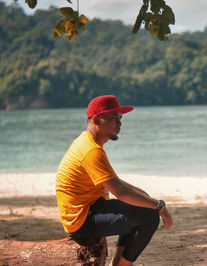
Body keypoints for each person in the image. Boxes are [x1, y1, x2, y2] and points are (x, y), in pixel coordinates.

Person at [56, 95, 173, 266]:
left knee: (142, 205)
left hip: (89, 208)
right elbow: (120, 191)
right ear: (97, 120)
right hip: (81, 218)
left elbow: (114, 182)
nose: (119, 123)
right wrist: (159, 206)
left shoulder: (89, 143)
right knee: (149, 215)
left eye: (120, 118)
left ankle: (116, 264)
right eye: (113, 118)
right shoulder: (91, 150)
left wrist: (145, 196)